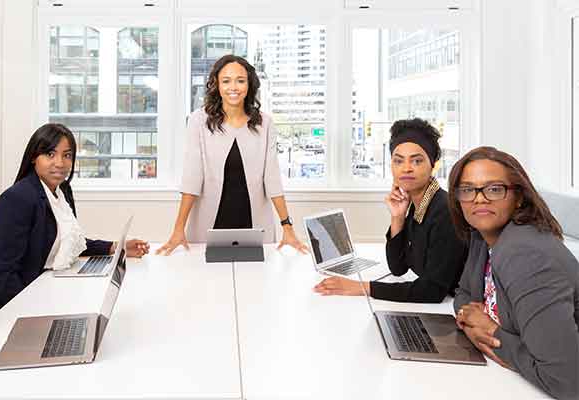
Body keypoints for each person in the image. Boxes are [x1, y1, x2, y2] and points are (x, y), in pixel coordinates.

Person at [449, 147, 578, 399]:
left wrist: (490, 334)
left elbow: (566, 381)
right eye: (467, 189)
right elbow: (463, 293)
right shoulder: (481, 235)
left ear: (518, 197)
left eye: (494, 189)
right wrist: (471, 321)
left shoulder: (526, 255)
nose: (479, 199)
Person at [157, 54, 308, 255]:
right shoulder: (198, 121)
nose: (233, 87)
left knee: (258, 273)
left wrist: (287, 227)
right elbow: (192, 177)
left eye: (240, 81)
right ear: (217, 85)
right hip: (209, 224)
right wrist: (178, 229)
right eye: (226, 81)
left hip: (253, 223)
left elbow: (272, 178)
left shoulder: (265, 123)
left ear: (249, 84)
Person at [0, 123, 149, 310]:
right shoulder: (17, 199)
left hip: (52, 285)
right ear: (34, 157)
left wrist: (115, 247)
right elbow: (4, 276)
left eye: (67, 155)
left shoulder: (62, 189)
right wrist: (29, 311)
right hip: (30, 298)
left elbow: (69, 241)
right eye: (50, 154)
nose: (60, 163)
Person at [314, 118, 467, 302]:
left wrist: (362, 287)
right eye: (398, 161)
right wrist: (398, 217)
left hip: (457, 307)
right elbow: (398, 268)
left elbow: (432, 291)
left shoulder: (445, 211)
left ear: (433, 164)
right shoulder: (416, 205)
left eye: (417, 161)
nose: (406, 168)